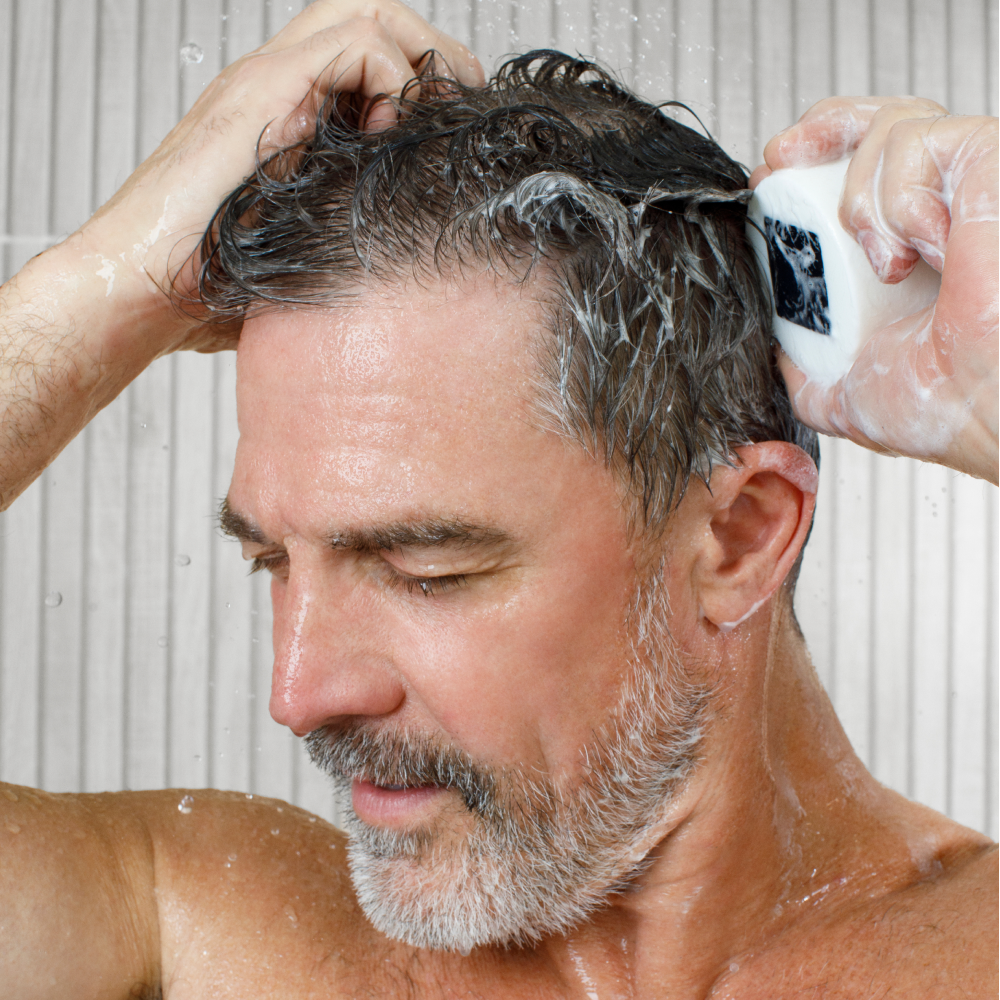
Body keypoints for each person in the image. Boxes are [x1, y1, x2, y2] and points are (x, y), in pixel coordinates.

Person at [0, 2, 996, 996]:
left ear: (736, 538)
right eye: (272, 561)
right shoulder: (213, 931)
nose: (297, 692)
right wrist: (107, 284)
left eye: (425, 570)